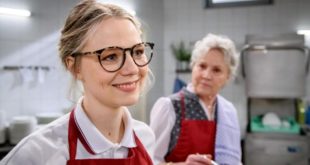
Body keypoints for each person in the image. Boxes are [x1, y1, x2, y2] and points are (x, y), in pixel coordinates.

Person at [1, 0, 155, 164]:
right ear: (75, 67)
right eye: (110, 56)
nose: (132, 69)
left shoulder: (145, 137)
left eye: (138, 52)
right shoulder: (37, 154)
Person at [150, 33, 242, 165]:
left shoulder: (228, 111)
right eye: (202, 66)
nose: (206, 75)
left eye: (216, 70)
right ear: (193, 67)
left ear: (228, 76)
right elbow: (148, 160)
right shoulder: (169, 106)